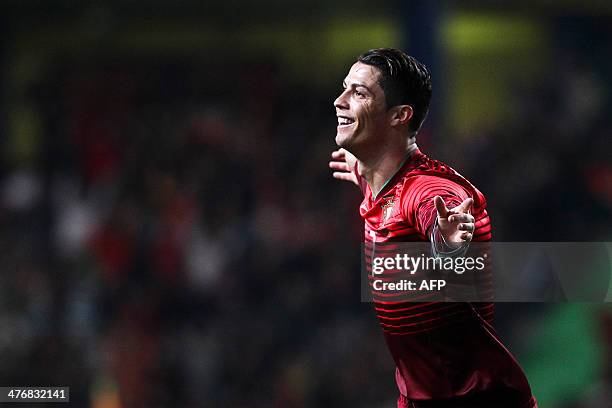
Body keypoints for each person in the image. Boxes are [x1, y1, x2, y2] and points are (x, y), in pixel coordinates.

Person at [329, 48, 537, 408]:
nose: (339, 101)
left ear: (399, 116)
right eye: (345, 88)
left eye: (359, 93)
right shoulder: (381, 178)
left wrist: (445, 241)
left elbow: (432, 211)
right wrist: (364, 165)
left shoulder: (426, 190)